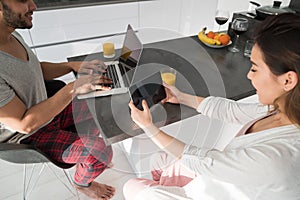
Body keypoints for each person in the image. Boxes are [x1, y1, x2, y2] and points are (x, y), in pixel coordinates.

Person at [124, 13, 300, 200]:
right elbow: (231, 111)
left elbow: (205, 162)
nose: (249, 76)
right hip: (215, 177)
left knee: (132, 186)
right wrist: (182, 97)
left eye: (255, 68)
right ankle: (165, 184)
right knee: (157, 161)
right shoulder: (283, 108)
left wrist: (149, 128)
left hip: (214, 191)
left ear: (288, 80)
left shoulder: (278, 159)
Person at [0, 0, 115, 199]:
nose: (34, 5)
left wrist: (72, 66)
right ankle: (82, 183)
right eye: (22, 0)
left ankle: (85, 156)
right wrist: (74, 88)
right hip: (28, 136)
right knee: (100, 152)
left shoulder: (11, 33)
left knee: (105, 103)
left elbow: (34, 69)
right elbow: (24, 124)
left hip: (46, 109)